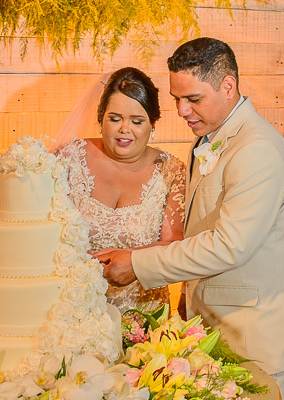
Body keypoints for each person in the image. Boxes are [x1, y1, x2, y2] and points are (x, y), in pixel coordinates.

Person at [94, 38, 284, 400]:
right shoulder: (213, 139)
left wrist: (138, 264)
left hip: (257, 335)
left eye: (193, 99)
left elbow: (229, 244)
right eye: (177, 99)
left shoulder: (257, 150)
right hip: (218, 326)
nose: (181, 111)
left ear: (228, 86)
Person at [53, 67, 187, 309]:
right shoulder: (69, 158)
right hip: (72, 306)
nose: (124, 129)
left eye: (137, 121)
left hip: (143, 311)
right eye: (115, 119)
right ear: (100, 119)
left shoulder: (172, 172)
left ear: (153, 124)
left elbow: (174, 244)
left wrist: (134, 260)